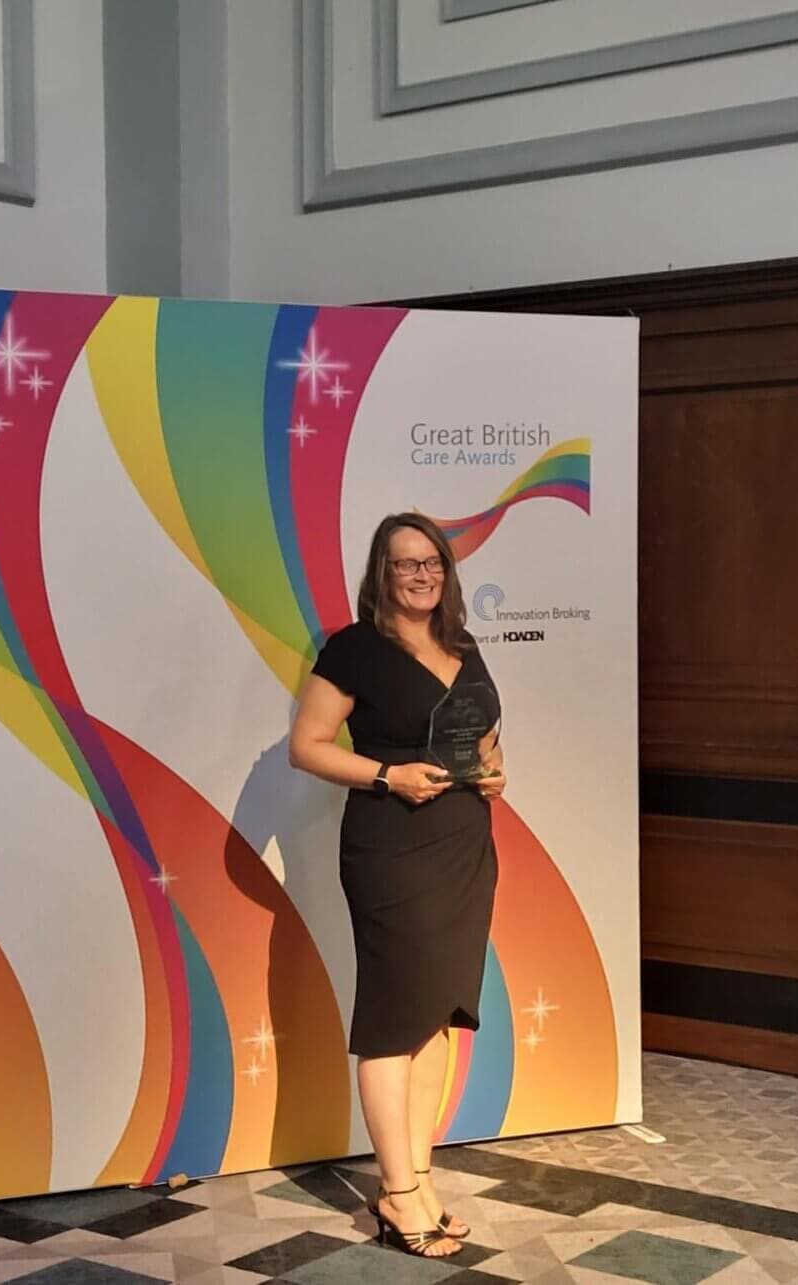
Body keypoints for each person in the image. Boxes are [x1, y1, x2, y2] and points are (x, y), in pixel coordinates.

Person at [289, 512, 505, 1258]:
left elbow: (477, 733)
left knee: (437, 1015)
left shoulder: (462, 644)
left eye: (432, 564)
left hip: (464, 847)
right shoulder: (354, 648)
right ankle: (398, 1191)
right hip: (391, 848)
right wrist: (387, 775)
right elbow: (306, 746)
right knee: (392, 1020)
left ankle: (416, 1176)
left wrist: (493, 768)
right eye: (405, 564)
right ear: (381, 573)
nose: (420, 575)